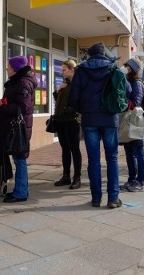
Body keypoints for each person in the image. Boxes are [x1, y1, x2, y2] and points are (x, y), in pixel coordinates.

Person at [68, 42, 126, 209]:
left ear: (90, 55)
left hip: (89, 119)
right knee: (112, 158)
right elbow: (125, 90)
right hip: (109, 118)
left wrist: (83, 110)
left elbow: (73, 96)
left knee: (93, 160)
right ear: (104, 54)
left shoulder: (81, 70)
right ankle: (113, 198)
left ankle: (96, 198)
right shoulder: (113, 68)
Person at [0, 56, 37, 203]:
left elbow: (23, 107)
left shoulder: (22, 83)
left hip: (19, 127)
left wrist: (4, 107)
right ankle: (21, 190)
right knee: (18, 158)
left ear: (15, 68)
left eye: (8, 66)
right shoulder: (19, 81)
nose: (7, 68)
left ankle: (20, 193)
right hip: (17, 126)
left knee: (20, 159)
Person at [52, 59, 82, 190]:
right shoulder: (65, 85)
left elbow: (77, 104)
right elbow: (60, 102)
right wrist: (57, 91)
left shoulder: (77, 85)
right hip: (61, 121)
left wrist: (67, 111)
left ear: (72, 70)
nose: (62, 72)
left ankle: (77, 177)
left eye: (64, 70)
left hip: (72, 121)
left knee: (74, 149)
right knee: (65, 149)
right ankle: (66, 176)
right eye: (61, 70)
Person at [119, 58, 144, 192]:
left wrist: (122, 102)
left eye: (127, 66)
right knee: (129, 153)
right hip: (127, 121)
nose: (125, 68)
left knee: (138, 152)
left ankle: (140, 181)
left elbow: (135, 103)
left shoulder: (137, 83)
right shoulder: (127, 81)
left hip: (135, 122)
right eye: (125, 65)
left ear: (133, 69)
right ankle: (131, 179)